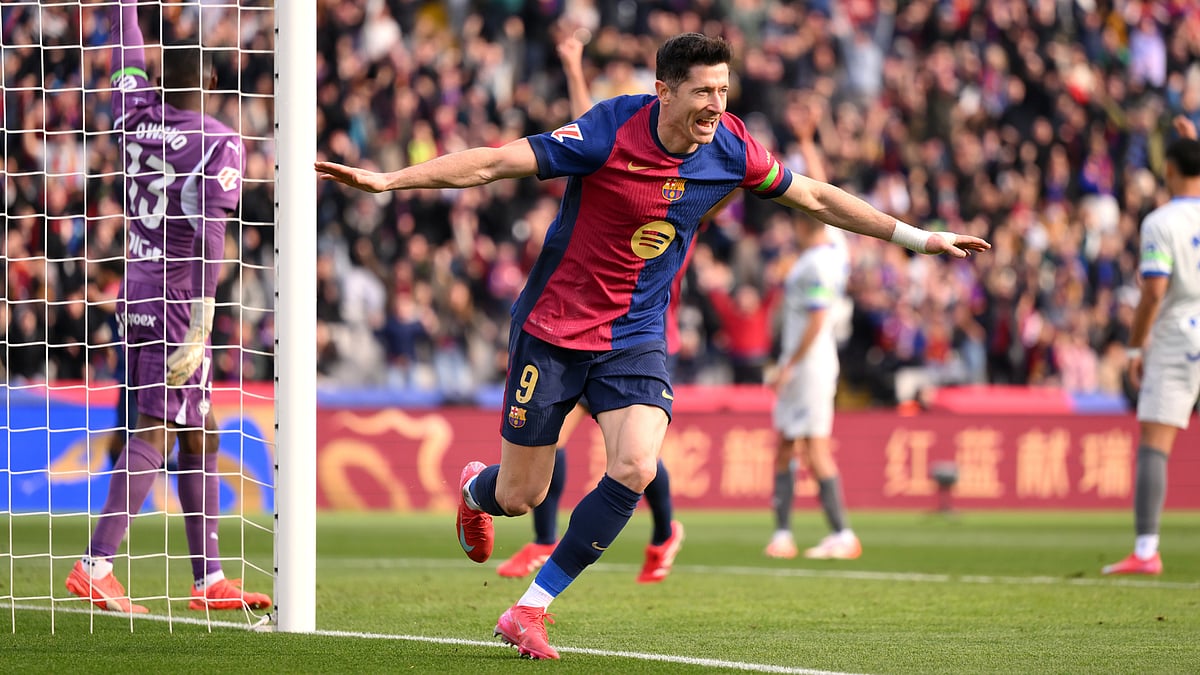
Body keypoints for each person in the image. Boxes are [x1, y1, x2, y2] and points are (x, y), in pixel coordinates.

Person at [316, 32, 989, 660]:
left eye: (723, 92)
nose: (716, 106)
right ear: (664, 90)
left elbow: (813, 196)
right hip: (554, 329)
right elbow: (494, 163)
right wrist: (388, 181)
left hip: (635, 335)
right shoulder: (608, 129)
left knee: (636, 464)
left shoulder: (732, 146)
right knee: (521, 495)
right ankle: (475, 487)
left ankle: (531, 606)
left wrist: (920, 238)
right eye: (702, 92)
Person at [64, 0, 271, 614]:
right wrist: (204, 324)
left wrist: (122, 9)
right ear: (208, 82)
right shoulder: (220, 141)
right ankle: (94, 564)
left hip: (135, 292)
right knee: (157, 426)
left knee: (201, 428)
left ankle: (207, 578)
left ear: (159, 79)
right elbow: (212, 234)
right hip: (181, 302)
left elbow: (124, 57)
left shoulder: (135, 115)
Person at [494, 34, 685, 586]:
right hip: (583, 309)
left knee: (630, 447)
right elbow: (587, 126)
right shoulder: (611, 141)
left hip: (636, 313)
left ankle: (650, 532)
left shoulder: (683, 173)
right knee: (603, 443)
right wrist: (574, 66)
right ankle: (647, 532)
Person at [1103, 116, 1200, 576]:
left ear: (1168, 172)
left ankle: (1146, 549)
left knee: (1155, 444)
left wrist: (1136, 348)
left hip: (1182, 335)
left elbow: (1155, 291)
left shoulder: (1161, 222)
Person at [764, 97, 860, 561]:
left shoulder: (818, 263)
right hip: (805, 361)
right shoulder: (833, 247)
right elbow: (823, 190)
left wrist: (788, 366)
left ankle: (842, 532)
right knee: (785, 444)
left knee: (814, 446)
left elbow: (819, 318)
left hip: (810, 363)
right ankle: (783, 533)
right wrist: (805, 141)